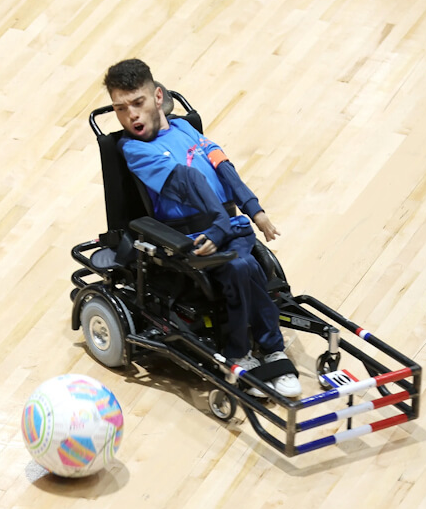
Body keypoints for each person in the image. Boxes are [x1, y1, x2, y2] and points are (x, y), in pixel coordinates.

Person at [103, 59, 301, 397]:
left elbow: (223, 167)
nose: (131, 116)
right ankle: (249, 352)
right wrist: (222, 225)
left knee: (249, 266)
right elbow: (188, 180)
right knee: (242, 268)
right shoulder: (133, 149)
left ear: (157, 97)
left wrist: (255, 209)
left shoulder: (185, 130)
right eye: (121, 109)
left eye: (137, 103)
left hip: (228, 228)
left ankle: (260, 351)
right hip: (190, 239)